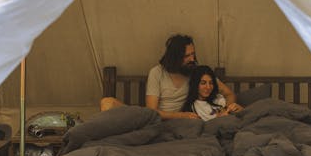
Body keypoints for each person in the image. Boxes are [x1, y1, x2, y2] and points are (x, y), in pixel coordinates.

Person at [99, 34, 238, 119]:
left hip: (172, 125)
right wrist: (181, 116)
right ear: (175, 57)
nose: (192, 58)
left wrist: (226, 110)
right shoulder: (157, 73)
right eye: (187, 56)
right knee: (107, 102)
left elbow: (228, 93)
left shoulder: (196, 72)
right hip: (153, 119)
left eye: (193, 54)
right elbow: (152, 112)